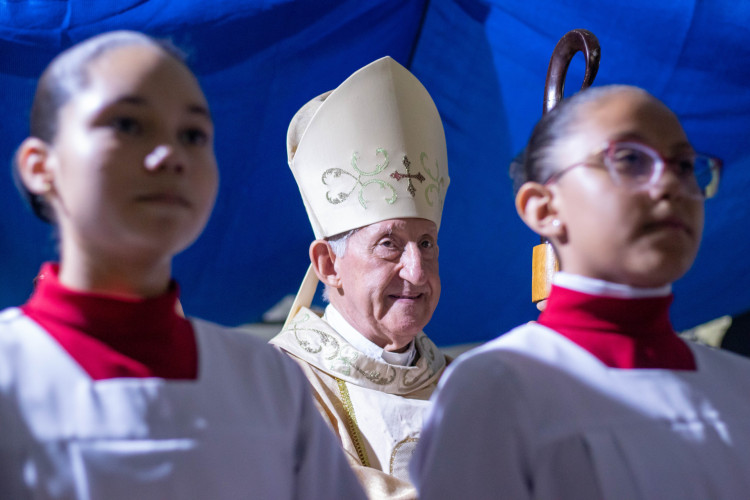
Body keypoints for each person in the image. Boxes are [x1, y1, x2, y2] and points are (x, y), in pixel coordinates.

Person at [0, 30, 365, 499]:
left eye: (193, 134)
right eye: (129, 125)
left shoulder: (267, 382)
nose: (171, 155)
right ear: (40, 165)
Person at [410, 85, 750, 499]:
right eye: (629, 160)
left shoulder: (738, 385)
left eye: (682, 165)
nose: (670, 187)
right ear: (545, 208)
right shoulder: (498, 387)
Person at [270, 56, 450, 498]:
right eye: (389, 243)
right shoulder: (276, 386)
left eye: (426, 243)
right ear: (328, 265)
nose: (416, 270)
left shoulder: (462, 384)